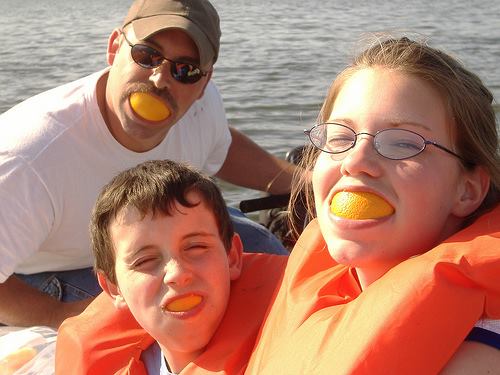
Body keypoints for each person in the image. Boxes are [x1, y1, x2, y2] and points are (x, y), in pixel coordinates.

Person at [0, 0, 294, 328]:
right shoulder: (28, 158)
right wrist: (60, 318)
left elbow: (220, 146)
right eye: (147, 55)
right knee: (163, 314)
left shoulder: (201, 108)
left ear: (204, 83)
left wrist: (300, 180)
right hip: (50, 271)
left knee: (268, 255)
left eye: (186, 70)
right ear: (114, 49)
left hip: (161, 235)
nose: (159, 79)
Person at [245, 36, 500, 374]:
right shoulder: (316, 292)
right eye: (339, 138)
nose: (356, 160)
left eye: (403, 143)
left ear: (467, 190)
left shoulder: (476, 359)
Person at [56, 159, 287, 375]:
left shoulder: (292, 346)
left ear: (232, 257)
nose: (177, 274)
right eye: (145, 261)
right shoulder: (111, 364)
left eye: (196, 247)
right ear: (114, 288)